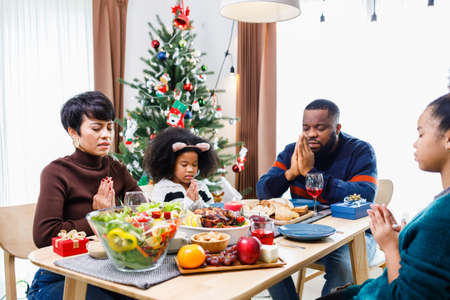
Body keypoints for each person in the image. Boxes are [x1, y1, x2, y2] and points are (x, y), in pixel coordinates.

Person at [319, 94, 450, 300]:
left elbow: (404, 296)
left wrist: (390, 246)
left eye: (421, 134)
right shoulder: (442, 206)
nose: (415, 144)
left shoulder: (440, 218)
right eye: (306, 128)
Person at [256, 99, 378, 298]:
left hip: (355, 236)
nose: (311, 134)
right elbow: (263, 192)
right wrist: (291, 172)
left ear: (337, 128)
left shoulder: (360, 151)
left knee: (342, 264)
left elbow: (363, 195)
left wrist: (309, 173)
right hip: (306, 232)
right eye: (306, 128)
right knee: (266, 254)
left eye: (320, 128)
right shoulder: (292, 151)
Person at [29, 91, 140, 300]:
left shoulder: (117, 170)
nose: (107, 134)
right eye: (96, 128)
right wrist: (98, 217)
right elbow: (44, 236)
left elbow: (143, 211)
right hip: (59, 277)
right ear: (73, 132)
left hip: (108, 271)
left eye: (109, 127)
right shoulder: (56, 172)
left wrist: (111, 214)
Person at [143, 127, 219, 210]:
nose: (190, 170)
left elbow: (211, 211)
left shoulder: (201, 187)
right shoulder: (162, 189)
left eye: (194, 165)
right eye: (184, 165)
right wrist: (189, 201)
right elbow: (160, 215)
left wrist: (197, 201)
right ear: (171, 164)